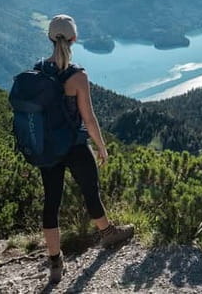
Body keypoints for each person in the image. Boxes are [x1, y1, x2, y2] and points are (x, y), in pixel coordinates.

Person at [40, 14, 134, 282]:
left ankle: (55, 263)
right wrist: (101, 146)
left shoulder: (37, 71)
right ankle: (108, 234)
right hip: (74, 145)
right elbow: (89, 118)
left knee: (51, 202)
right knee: (90, 191)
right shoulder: (77, 75)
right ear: (74, 39)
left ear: (49, 37)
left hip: (47, 148)